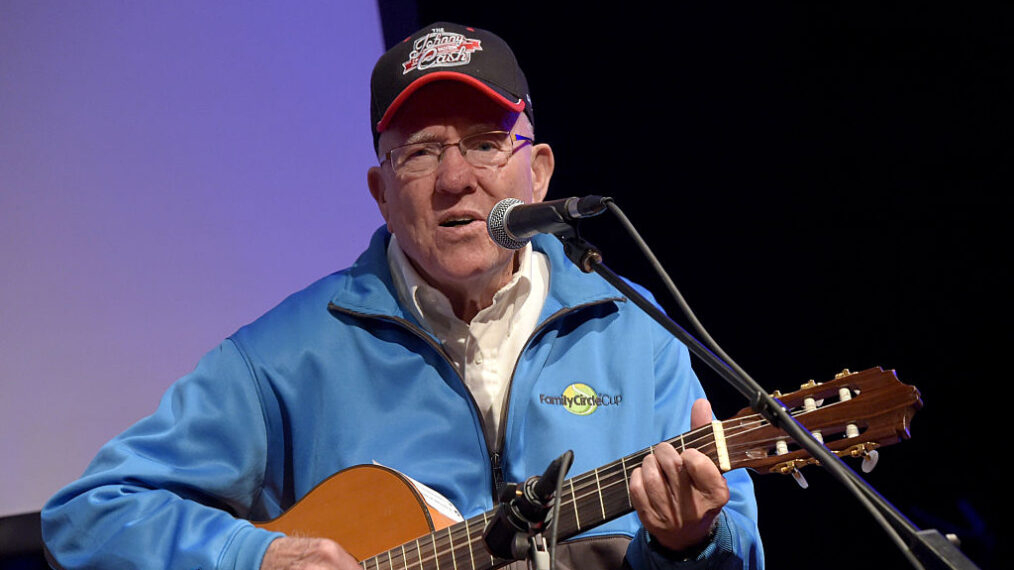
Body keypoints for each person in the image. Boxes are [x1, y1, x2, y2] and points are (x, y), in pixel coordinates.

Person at [42, 22, 763, 569]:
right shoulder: (286, 358)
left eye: (486, 143)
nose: (456, 179)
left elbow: (742, 551)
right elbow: (90, 514)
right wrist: (253, 556)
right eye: (420, 152)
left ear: (537, 173)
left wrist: (688, 540)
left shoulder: (634, 328)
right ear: (381, 193)